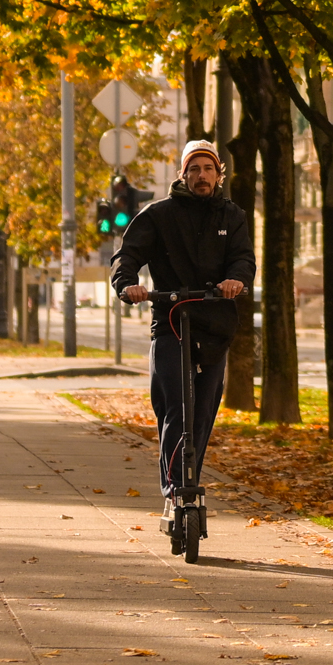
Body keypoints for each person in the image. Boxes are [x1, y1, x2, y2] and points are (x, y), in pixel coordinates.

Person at [115, 137, 256, 526]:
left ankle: (188, 481)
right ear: (183, 174)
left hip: (215, 323)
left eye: (208, 168)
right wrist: (129, 284)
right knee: (176, 407)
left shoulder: (232, 216)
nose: (202, 175)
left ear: (218, 175)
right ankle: (175, 490)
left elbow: (244, 259)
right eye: (194, 169)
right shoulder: (159, 215)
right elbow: (127, 255)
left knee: (204, 408)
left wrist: (235, 280)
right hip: (172, 321)